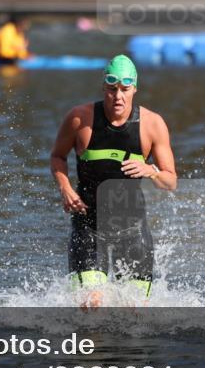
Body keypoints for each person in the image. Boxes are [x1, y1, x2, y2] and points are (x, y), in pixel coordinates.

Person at [50, 55, 177, 302]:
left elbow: (171, 181)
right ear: (104, 88)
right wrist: (65, 188)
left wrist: (151, 171)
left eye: (124, 90)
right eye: (112, 89)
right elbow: (57, 157)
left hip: (132, 229)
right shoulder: (79, 118)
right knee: (92, 304)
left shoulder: (152, 125)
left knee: (135, 311)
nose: (118, 97)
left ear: (135, 89)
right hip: (88, 225)